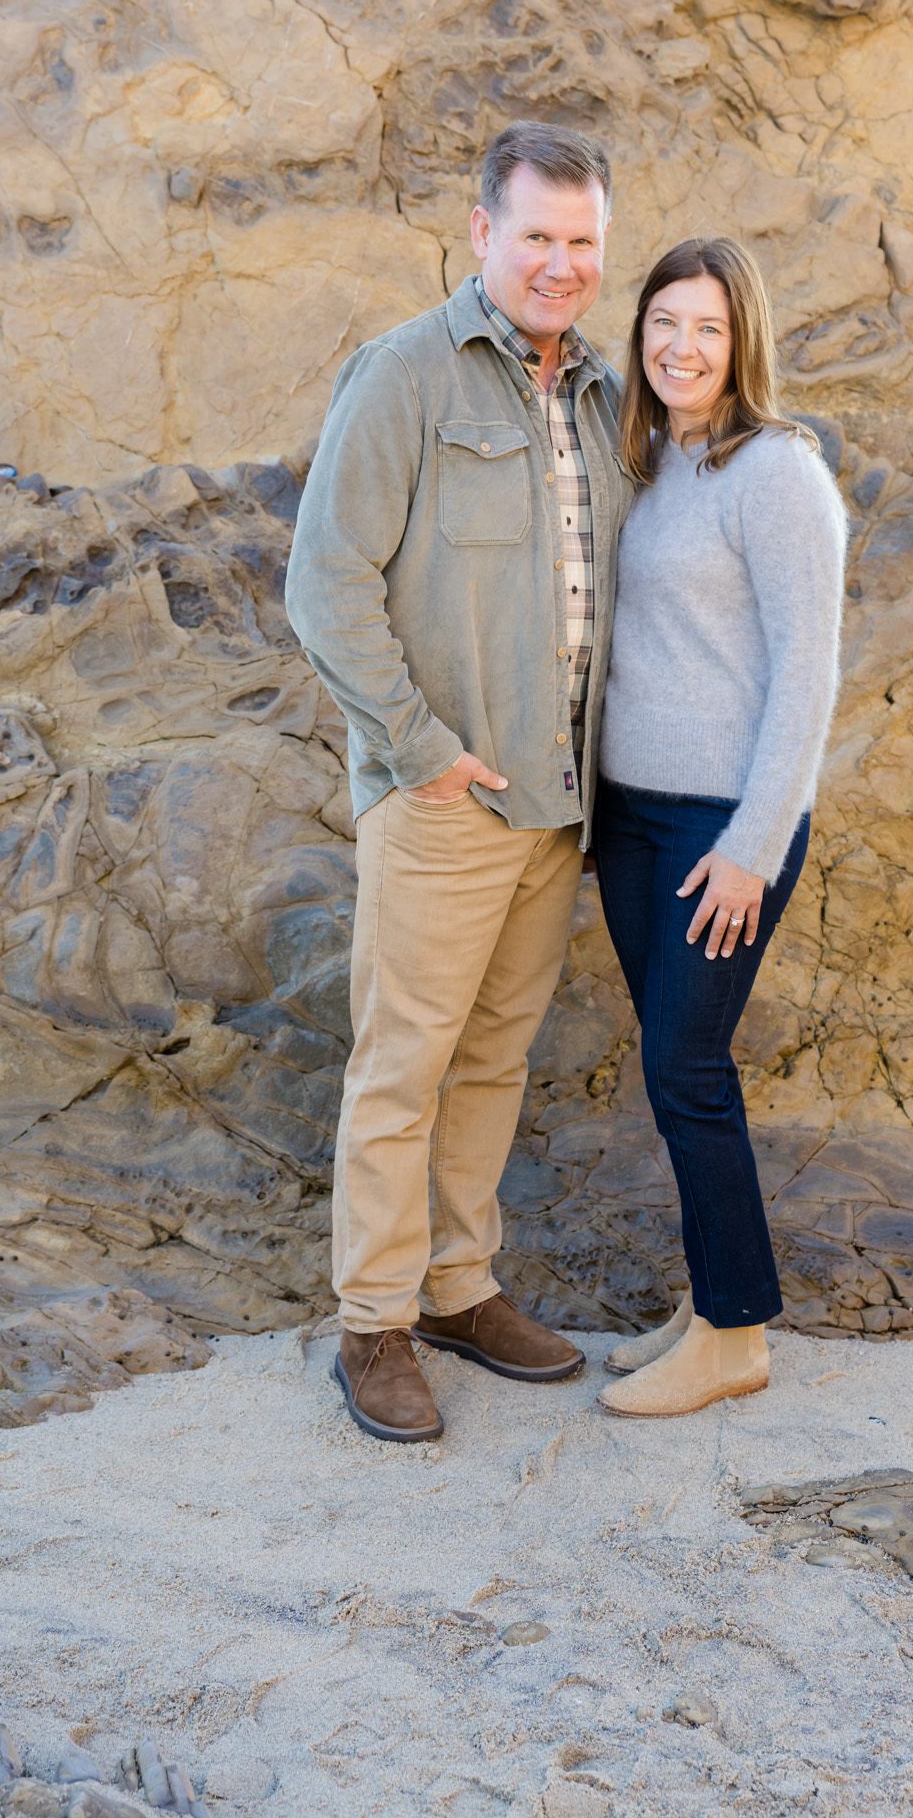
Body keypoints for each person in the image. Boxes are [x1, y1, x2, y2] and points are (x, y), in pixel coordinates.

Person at [285, 122, 632, 1443]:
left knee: (491, 1064)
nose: (561, 263)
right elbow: (326, 584)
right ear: (481, 233)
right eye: (537, 235)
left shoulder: (598, 395)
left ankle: (456, 1288)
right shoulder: (406, 375)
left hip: (556, 810)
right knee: (402, 1066)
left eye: (583, 241)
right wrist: (422, 752)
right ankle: (372, 1323)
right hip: (444, 802)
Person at [590, 237, 848, 1418]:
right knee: (671, 1063)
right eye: (664, 324)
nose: (683, 347)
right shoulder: (656, 463)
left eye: (708, 328)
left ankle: (736, 1333)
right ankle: (707, 1306)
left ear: (742, 341)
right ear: (640, 335)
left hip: (720, 830)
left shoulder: (776, 471)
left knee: (688, 1068)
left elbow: (808, 672)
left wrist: (752, 843)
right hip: (634, 821)